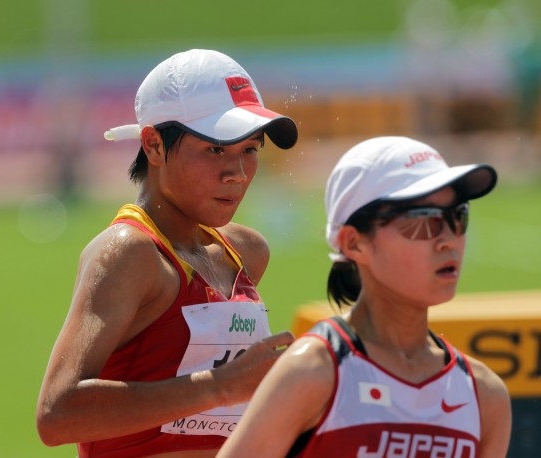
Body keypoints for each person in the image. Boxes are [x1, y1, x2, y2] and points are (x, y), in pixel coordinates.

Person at [36, 49, 298, 457]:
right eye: (215, 150)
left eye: (250, 149)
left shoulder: (245, 252)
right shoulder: (128, 253)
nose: (238, 173)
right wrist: (220, 386)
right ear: (154, 145)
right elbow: (57, 415)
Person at [218, 136, 512, 458]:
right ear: (354, 243)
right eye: (423, 221)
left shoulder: (484, 395)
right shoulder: (313, 372)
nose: (448, 240)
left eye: (458, 216)